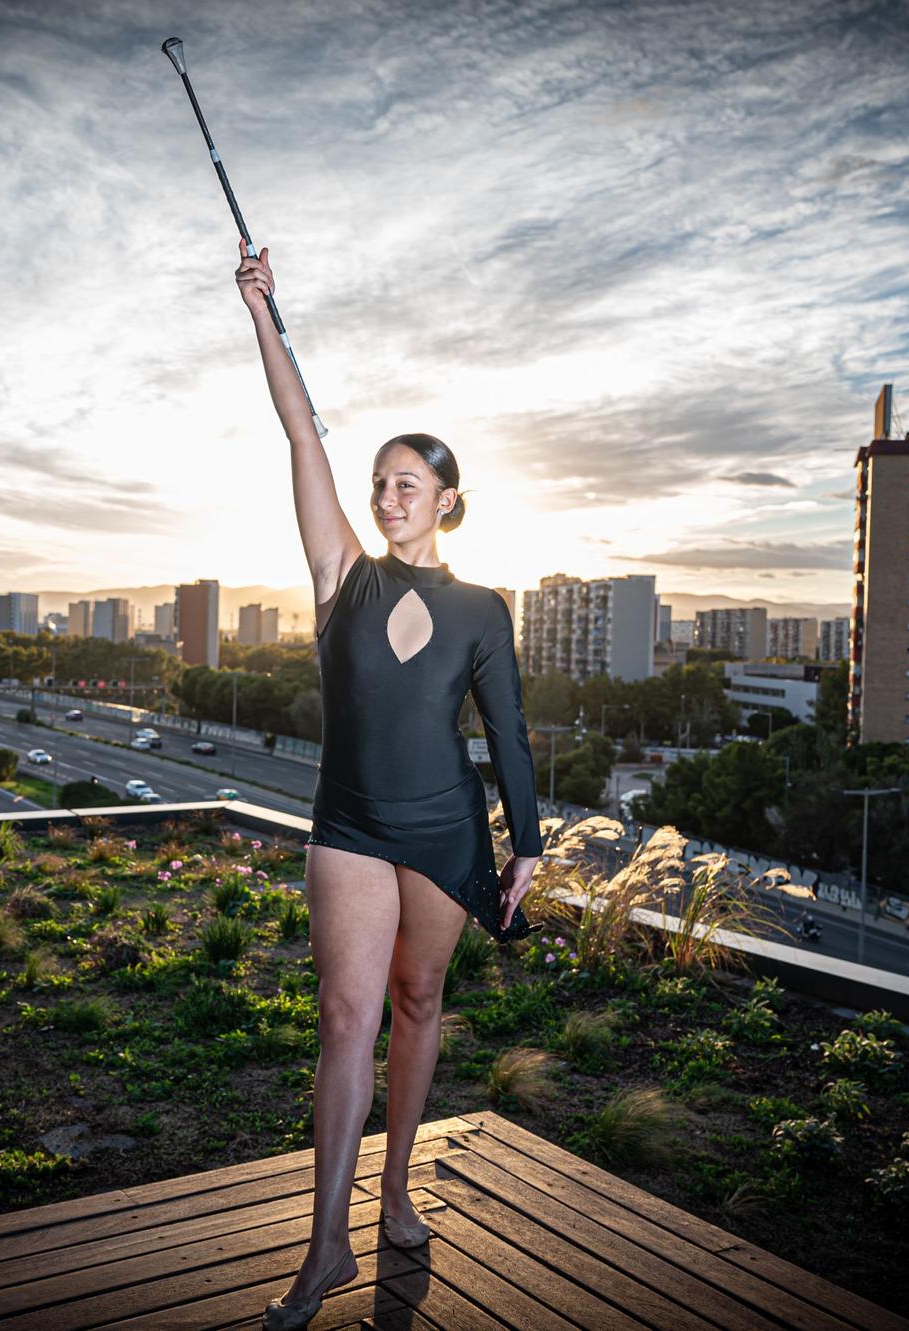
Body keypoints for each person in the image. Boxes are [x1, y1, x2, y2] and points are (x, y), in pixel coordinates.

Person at [236, 238, 545, 1328]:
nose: (382, 495)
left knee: (419, 1002)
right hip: (352, 825)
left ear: (446, 499)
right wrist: (262, 312)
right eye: (377, 483)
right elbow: (299, 430)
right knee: (344, 1015)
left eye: (404, 483)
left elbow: (507, 734)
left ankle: (398, 1189)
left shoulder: (483, 609)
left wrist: (528, 847)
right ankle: (323, 1246)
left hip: (449, 833)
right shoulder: (339, 577)